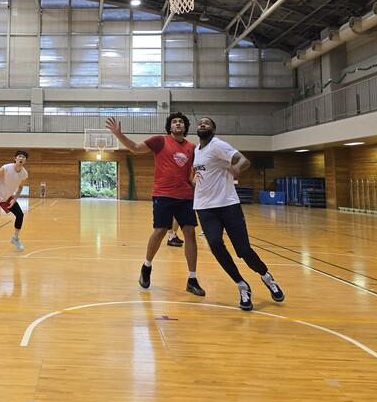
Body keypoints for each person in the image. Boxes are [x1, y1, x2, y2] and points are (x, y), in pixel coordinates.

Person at [106, 114, 205, 297]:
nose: (178, 123)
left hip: (185, 196)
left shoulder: (192, 148)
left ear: (185, 127)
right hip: (163, 194)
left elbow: (192, 173)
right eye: (174, 122)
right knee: (160, 231)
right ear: (170, 127)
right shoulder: (160, 141)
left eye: (181, 122)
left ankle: (192, 279)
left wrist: (195, 181)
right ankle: (147, 266)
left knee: (190, 233)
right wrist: (119, 134)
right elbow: (135, 148)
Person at [192, 116, 284, 311]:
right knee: (215, 245)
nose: (202, 124)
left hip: (228, 205)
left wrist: (237, 167)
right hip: (204, 207)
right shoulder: (196, 150)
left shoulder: (218, 145)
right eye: (200, 123)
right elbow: (203, 174)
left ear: (213, 129)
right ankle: (242, 285)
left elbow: (244, 160)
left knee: (243, 250)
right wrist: (196, 180)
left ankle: (267, 277)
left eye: (206, 123)